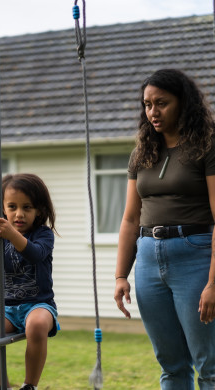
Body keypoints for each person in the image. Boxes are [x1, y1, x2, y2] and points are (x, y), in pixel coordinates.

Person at [114, 68, 215, 390]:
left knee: (209, 365)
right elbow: (130, 219)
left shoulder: (207, 147)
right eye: (147, 104)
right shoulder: (142, 153)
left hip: (196, 256)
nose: (153, 112)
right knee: (171, 365)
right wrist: (120, 275)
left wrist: (213, 283)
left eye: (162, 103)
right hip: (147, 260)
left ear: (184, 103)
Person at [0, 173, 59, 390]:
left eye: (27, 207)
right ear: (3, 209)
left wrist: (11, 234)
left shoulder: (43, 234)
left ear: (39, 211)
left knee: (36, 325)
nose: (19, 214)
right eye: (12, 207)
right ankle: (0, 385)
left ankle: (29, 385)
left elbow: (35, 254)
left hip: (38, 304)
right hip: (5, 307)